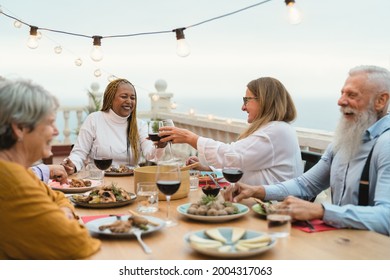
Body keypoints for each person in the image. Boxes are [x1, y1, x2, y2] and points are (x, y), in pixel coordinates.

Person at [223, 65, 390, 236]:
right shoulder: (345, 140)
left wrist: (321, 211)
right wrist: (257, 190)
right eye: (342, 93)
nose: (340, 101)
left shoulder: (386, 144)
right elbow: (305, 185)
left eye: (352, 95)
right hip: (341, 240)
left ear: (381, 101)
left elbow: (387, 217)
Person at [0, 78, 100, 259]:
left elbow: (59, 197)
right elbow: (77, 244)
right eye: (50, 123)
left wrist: (63, 212)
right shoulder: (12, 182)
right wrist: (66, 218)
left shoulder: (17, 171)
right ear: (20, 128)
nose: (56, 131)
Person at [159, 77, 303, 185]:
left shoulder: (277, 132)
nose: (243, 107)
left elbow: (233, 156)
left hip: (270, 209)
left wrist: (190, 138)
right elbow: (245, 166)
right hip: (257, 201)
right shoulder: (275, 129)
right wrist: (209, 169)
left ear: (265, 100)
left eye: (247, 100)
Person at [62, 78, 165, 175]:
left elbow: (151, 155)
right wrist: (72, 165)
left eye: (132, 98)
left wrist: (160, 146)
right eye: (124, 96)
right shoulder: (94, 119)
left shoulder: (140, 125)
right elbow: (79, 153)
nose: (129, 101)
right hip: (99, 179)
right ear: (110, 98)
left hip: (129, 180)